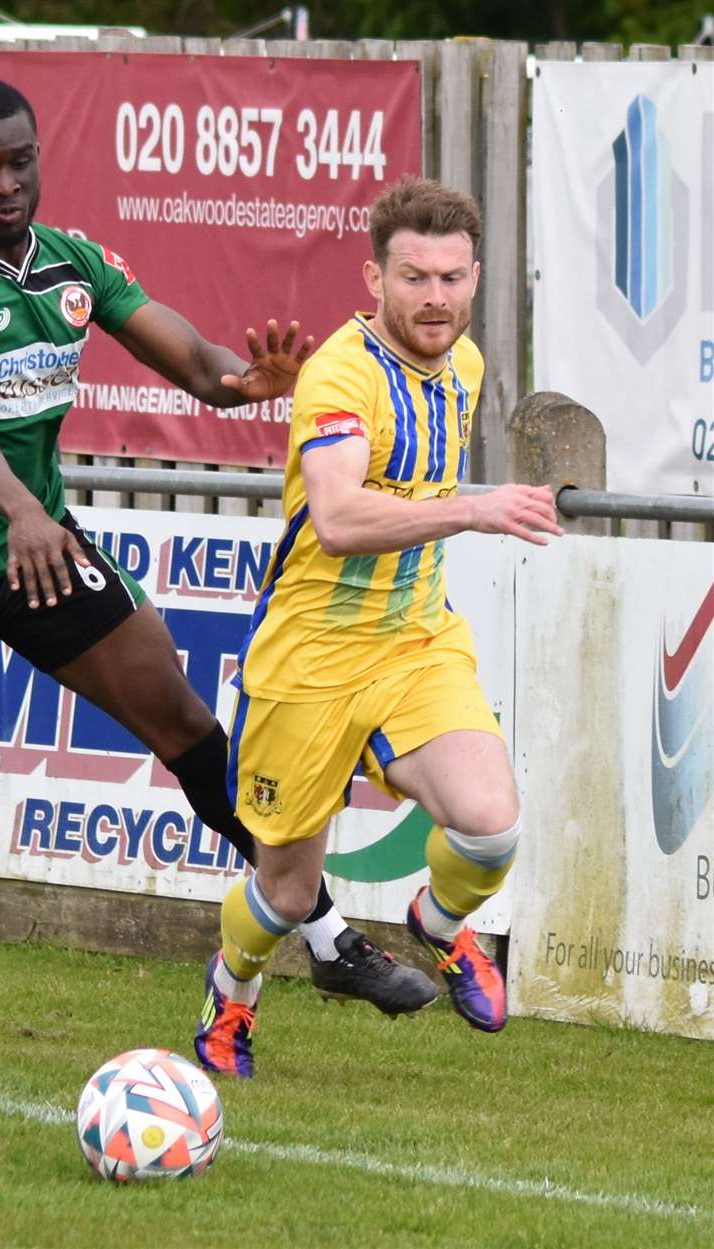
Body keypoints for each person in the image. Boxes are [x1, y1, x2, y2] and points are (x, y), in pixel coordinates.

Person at [0, 77, 436, 1022]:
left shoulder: (72, 265)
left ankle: (326, 937)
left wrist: (244, 381)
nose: (6, 182)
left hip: (39, 553)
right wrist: (24, 510)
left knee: (187, 724)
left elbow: (189, 358)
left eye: (20, 161)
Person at [194, 175, 564, 1078]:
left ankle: (436, 924)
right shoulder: (340, 374)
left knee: (491, 827)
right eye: (413, 277)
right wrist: (473, 512)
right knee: (282, 892)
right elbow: (339, 518)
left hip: (414, 642)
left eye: (450, 277)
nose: (434, 298)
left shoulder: (466, 365)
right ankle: (230, 995)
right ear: (374, 278)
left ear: (476, 279)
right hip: (312, 657)